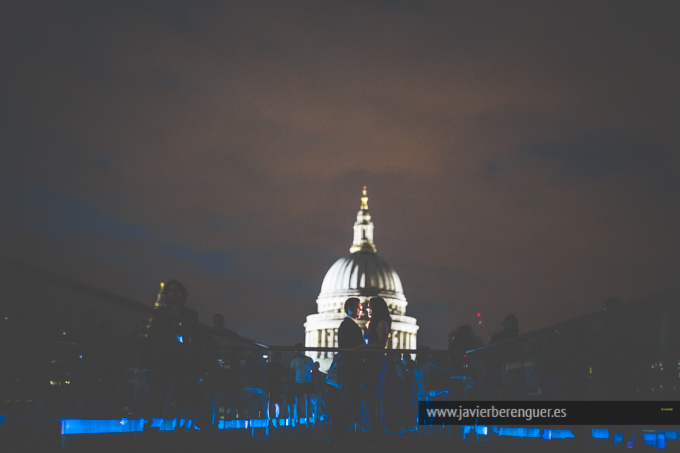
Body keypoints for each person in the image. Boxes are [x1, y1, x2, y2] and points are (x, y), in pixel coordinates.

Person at [146, 280, 201, 429]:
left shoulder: (191, 315)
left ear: (182, 294)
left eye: (176, 291)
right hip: (164, 358)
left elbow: (197, 339)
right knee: (161, 391)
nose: (173, 293)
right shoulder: (161, 313)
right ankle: (161, 423)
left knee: (181, 392)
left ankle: (177, 424)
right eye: (171, 291)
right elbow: (152, 337)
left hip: (184, 359)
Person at [329, 297, 365, 441]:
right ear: (349, 308)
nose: (360, 309)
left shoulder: (349, 325)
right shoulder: (348, 325)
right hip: (350, 368)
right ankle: (338, 432)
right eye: (358, 307)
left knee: (349, 400)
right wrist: (362, 347)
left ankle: (339, 431)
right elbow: (348, 347)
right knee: (348, 400)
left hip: (350, 367)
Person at [364, 296, 391, 438]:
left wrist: (363, 346)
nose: (367, 309)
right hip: (371, 360)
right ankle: (375, 427)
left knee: (373, 396)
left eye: (370, 306)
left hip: (376, 361)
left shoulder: (382, 323)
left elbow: (381, 345)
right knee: (372, 396)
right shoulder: (371, 323)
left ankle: (376, 428)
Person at [289, 343, 314, 425]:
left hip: (306, 382)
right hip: (299, 382)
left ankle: (303, 419)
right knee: (300, 402)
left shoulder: (308, 359)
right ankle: (299, 419)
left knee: (306, 402)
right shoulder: (295, 360)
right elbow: (292, 372)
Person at [267, 352, 285, 427]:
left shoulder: (271, 366)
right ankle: (274, 420)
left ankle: (272, 420)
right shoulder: (280, 367)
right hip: (275, 387)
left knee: (273, 404)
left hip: (275, 387)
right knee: (275, 404)